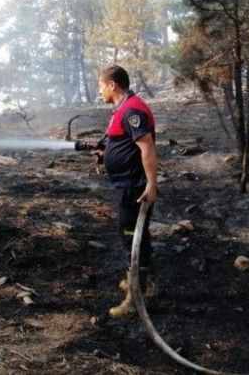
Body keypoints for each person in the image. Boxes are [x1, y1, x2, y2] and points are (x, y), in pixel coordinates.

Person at [90, 65, 159, 319]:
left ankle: (135, 297)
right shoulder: (122, 109)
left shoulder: (132, 110)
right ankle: (143, 283)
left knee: (130, 238)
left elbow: (147, 148)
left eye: (100, 85)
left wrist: (152, 184)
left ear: (112, 84)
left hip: (135, 187)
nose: (99, 91)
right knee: (138, 236)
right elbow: (123, 143)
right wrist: (105, 154)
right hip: (127, 184)